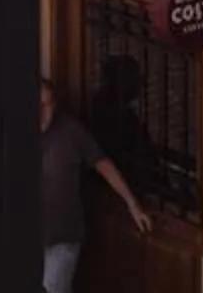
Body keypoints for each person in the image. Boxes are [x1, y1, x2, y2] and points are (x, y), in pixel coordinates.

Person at [41, 77, 150, 293]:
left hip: (62, 237)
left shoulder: (72, 132)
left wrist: (132, 204)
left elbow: (104, 165)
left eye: (46, 105)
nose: (41, 112)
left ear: (54, 104)